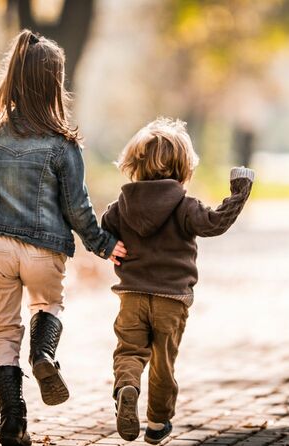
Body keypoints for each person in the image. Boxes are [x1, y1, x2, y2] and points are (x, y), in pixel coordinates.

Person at [0, 29, 126, 446]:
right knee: (48, 304)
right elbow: (77, 206)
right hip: (44, 250)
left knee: (2, 335)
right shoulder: (64, 146)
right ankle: (44, 356)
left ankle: (13, 420)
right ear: (54, 85)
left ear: (13, 79)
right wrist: (103, 243)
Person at [101, 117, 254, 444]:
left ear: (134, 163)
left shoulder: (120, 206)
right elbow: (214, 223)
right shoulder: (185, 206)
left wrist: (107, 247)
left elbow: (102, 231)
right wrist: (240, 192)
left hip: (131, 296)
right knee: (162, 363)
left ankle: (127, 386)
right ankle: (157, 423)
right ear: (184, 166)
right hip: (171, 300)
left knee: (129, 351)